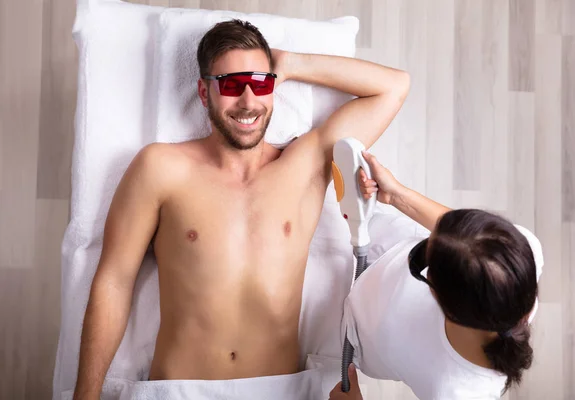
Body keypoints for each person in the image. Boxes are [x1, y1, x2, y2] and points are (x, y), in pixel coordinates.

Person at [73, 19, 410, 399]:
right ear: (204, 92)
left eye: (261, 84)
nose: (248, 101)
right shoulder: (160, 168)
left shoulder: (306, 164)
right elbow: (114, 280)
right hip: (180, 389)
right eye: (232, 85)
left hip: (279, 390)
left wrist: (293, 64)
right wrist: (85, 395)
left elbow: (394, 87)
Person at [329, 152, 542, 400]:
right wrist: (397, 195)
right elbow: (461, 235)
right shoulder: (522, 250)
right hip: (385, 250)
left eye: (425, 258)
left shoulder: (458, 392)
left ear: (436, 295)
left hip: (353, 335)